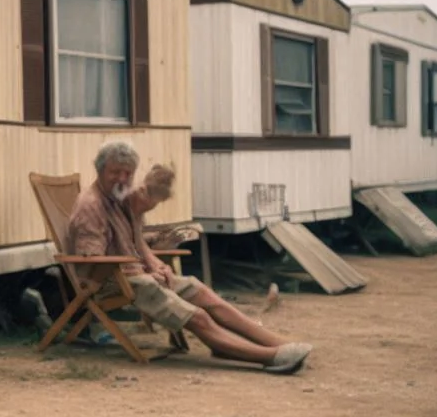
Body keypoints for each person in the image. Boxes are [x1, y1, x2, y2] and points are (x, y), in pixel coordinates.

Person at [71, 149, 312, 372]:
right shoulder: (91, 206)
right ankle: (266, 357)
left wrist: (154, 263)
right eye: (115, 172)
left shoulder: (118, 198)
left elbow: (136, 241)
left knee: (202, 293)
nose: (122, 178)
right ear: (100, 170)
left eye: (128, 173)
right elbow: (94, 261)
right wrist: (141, 274)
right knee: (197, 316)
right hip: (110, 282)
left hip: (135, 275)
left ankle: (275, 342)